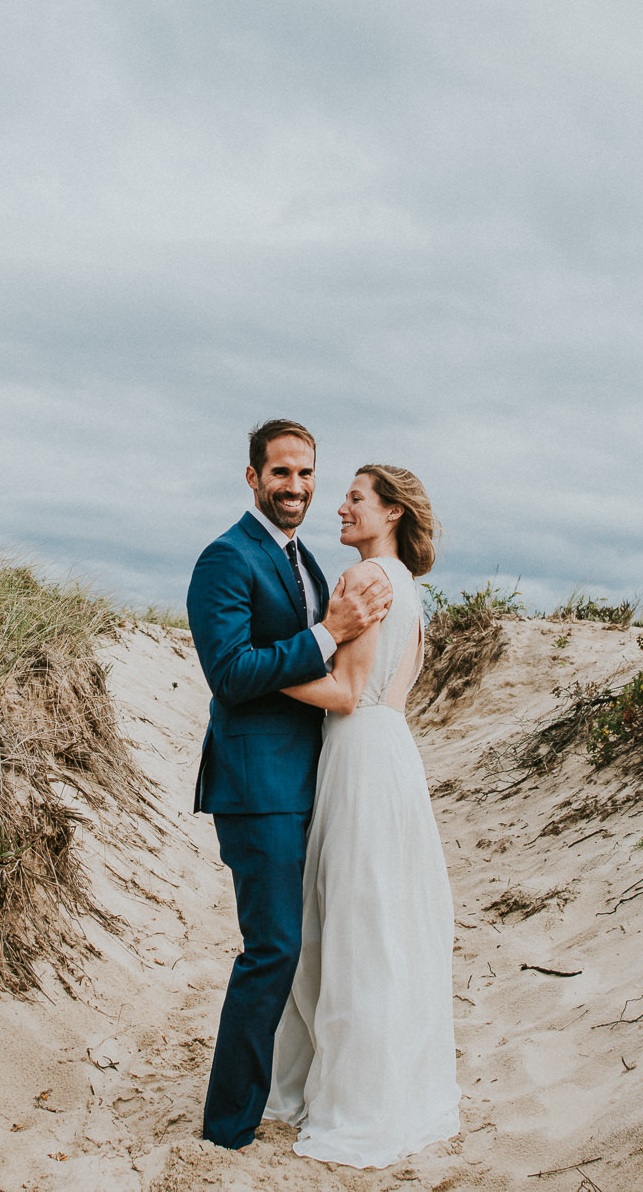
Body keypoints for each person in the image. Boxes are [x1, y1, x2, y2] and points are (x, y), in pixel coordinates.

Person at [186, 419, 395, 1151]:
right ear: (252, 477)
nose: (296, 488)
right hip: (258, 784)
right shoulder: (225, 559)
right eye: (281, 473)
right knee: (271, 948)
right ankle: (227, 1129)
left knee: (307, 949)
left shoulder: (305, 560)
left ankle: (290, 1092)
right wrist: (325, 633)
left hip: (317, 778)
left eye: (306, 474)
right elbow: (232, 674)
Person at [265, 463, 461, 1167]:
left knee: (348, 925)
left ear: (392, 513)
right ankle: (388, 1087)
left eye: (356, 498)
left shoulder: (365, 580)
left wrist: (265, 670)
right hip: (394, 753)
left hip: (358, 752)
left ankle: (351, 1101)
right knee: (386, 923)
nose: (340, 507)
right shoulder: (408, 587)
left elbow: (347, 690)